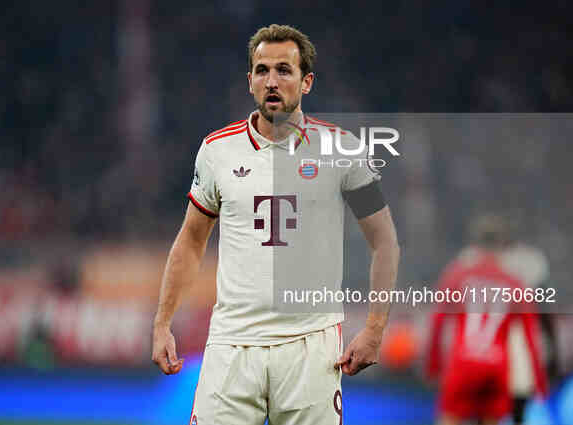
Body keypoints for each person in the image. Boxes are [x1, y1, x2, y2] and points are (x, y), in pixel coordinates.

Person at [151, 24, 400, 425]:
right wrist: (162, 323)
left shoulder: (344, 150)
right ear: (249, 81)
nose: (272, 81)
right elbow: (191, 241)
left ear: (307, 82)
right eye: (262, 70)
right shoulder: (217, 151)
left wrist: (374, 329)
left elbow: (384, 242)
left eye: (284, 70)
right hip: (232, 346)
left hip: (311, 348)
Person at [426, 215, 548, 425]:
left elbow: (438, 320)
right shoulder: (515, 283)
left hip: (462, 362)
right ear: (503, 247)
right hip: (497, 367)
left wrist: (433, 363)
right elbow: (530, 336)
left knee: (449, 418)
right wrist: (539, 382)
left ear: (475, 244)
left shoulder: (458, 275)